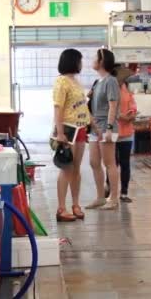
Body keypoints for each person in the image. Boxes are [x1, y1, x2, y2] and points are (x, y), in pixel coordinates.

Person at [52, 49, 91, 222]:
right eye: (80, 60)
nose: (82, 64)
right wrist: (60, 132)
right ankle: (61, 208)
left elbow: (81, 105)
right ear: (73, 61)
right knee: (66, 168)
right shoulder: (61, 81)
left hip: (81, 129)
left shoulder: (75, 81)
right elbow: (58, 107)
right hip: (67, 130)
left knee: (76, 169)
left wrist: (91, 125)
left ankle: (76, 204)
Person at [86, 48, 120, 210]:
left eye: (95, 58)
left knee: (109, 163)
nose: (92, 60)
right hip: (95, 128)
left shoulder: (111, 81)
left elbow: (113, 105)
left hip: (107, 127)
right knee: (93, 162)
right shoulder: (97, 82)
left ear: (102, 61)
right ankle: (100, 196)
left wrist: (109, 127)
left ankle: (114, 198)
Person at [113, 65, 137, 203]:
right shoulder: (110, 88)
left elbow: (133, 105)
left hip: (127, 132)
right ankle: (111, 190)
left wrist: (132, 114)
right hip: (113, 132)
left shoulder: (126, 88)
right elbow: (108, 109)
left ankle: (124, 192)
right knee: (112, 164)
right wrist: (122, 116)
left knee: (125, 164)